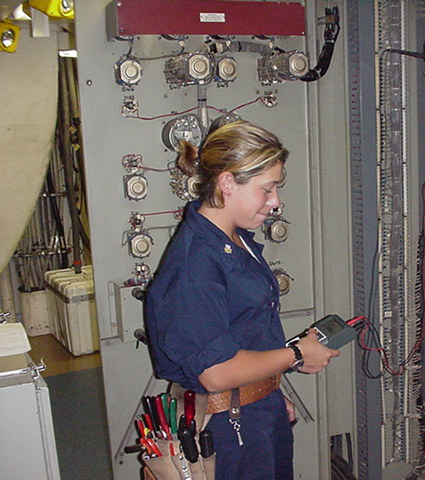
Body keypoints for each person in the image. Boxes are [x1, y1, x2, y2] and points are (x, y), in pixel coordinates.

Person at [145, 120, 340, 480]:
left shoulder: (235, 240)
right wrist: (297, 355)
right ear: (227, 183)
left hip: (254, 411)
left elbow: (245, 330)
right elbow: (216, 372)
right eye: (267, 189)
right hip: (228, 429)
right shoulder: (196, 263)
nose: (275, 201)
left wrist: (266, 392)